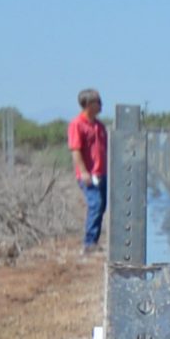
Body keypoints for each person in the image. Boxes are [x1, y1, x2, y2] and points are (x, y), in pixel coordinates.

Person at [69, 89, 108, 250]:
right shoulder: (77, 125)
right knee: (96, 204)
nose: (101, 105)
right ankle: (89, 243)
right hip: (88, 175)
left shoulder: (99, 126)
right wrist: (84, 172)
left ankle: (94, 242)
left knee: (101, 206)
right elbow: (76, 150)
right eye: (98, 102)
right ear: (89, 105)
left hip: (101, 173)